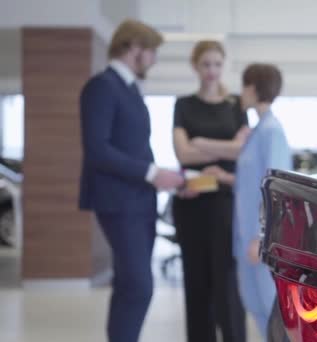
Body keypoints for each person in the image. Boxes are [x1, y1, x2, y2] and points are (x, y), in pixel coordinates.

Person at [78, 20, 185, 342]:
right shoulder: (101, 86)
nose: (153, 60)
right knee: (139, 285)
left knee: (129, 285)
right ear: (133, 48)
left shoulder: (129, 90)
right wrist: (151, 173)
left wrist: (162, 176)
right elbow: (97, 149)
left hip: (139, 198)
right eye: (151, 52)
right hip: (118, 200)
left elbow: (133, 147)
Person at [202, 63, 292, 339]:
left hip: (259, 240)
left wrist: (262, 236)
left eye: (244, 86)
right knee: (255, 306)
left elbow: (275, 187)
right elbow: (253, 182)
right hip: (245, 238)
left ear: (253, 88)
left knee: (271, 309)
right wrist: (225, 176)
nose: (241, 92)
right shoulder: (256, 132)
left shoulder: (271, 132)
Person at [171, 40, 247, 342]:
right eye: (206, 64)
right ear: (195, 66)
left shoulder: (236, 105)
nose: (212, 71)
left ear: (223, 65)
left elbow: (243, 151)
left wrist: (200, 143)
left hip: (226, 204)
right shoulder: (184, 105)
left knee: (227, 284)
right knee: (196, 283)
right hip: (192, 204)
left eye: (217, 64)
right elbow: (182, 155)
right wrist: (224, 150)